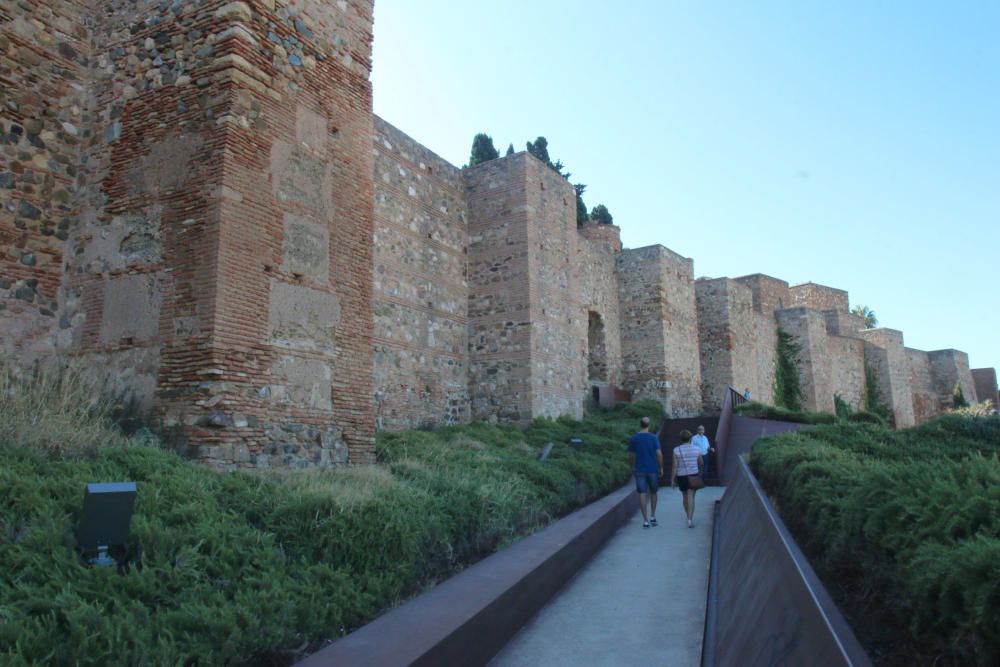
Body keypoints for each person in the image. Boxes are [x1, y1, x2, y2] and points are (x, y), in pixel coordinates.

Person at [627, 416, 664, 529]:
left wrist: (632, 467)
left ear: (640, 424)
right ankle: (653, 516)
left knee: (642, 493)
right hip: (652, 469)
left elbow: (631, 455)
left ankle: (645, 520)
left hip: (640, 470)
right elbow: (659, 453)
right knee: (653, 492)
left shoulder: (634, 438)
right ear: (649, 425)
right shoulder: (653, 438)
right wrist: (661, 467)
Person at [670, 429, 704, 528]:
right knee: (691, 497)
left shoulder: (676, 450)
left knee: (685, 497)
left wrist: (672, 479)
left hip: (681, 476)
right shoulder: (697, 449)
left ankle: (688, 516)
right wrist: (700, 473)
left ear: (681, 439)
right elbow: (701, 463)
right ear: (690, 438)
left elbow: (674, 466)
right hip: (693, 475)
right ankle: (690, 519)